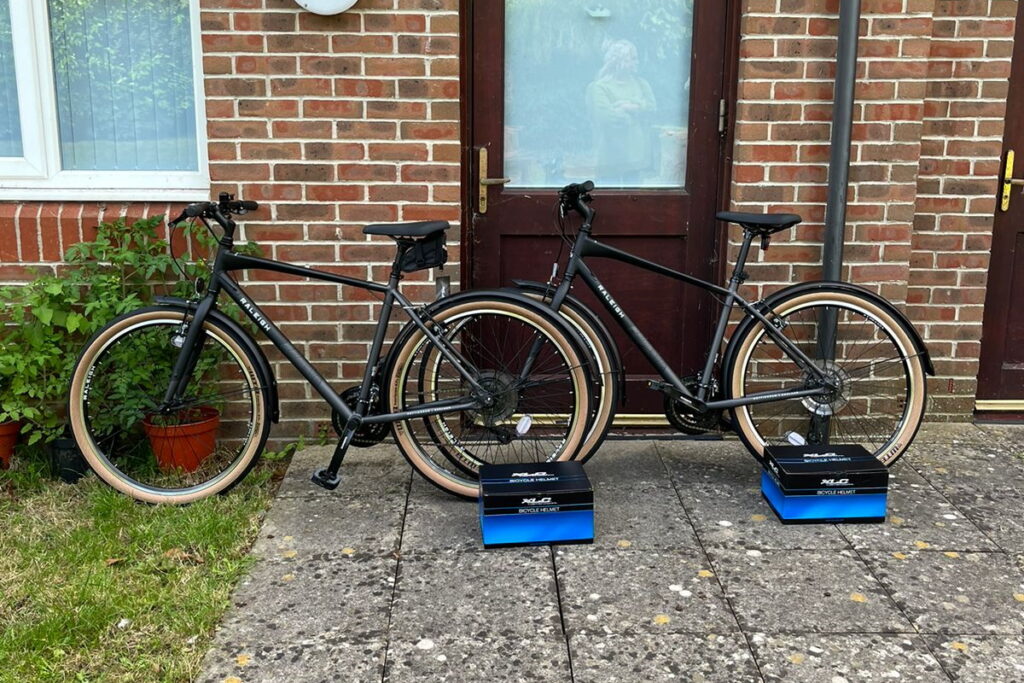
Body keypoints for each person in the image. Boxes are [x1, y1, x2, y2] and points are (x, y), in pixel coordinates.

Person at [585, 39, 657, 186]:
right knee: (609, 199)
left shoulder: (642, 84)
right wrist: (632, 114)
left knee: (634, 200)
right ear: (619, 60)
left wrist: (630, 107)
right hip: (610, 157)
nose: (637, 62)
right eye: (633, 58)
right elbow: (605, 117)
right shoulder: (599, 87)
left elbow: (652, 110)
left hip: (636, 157)